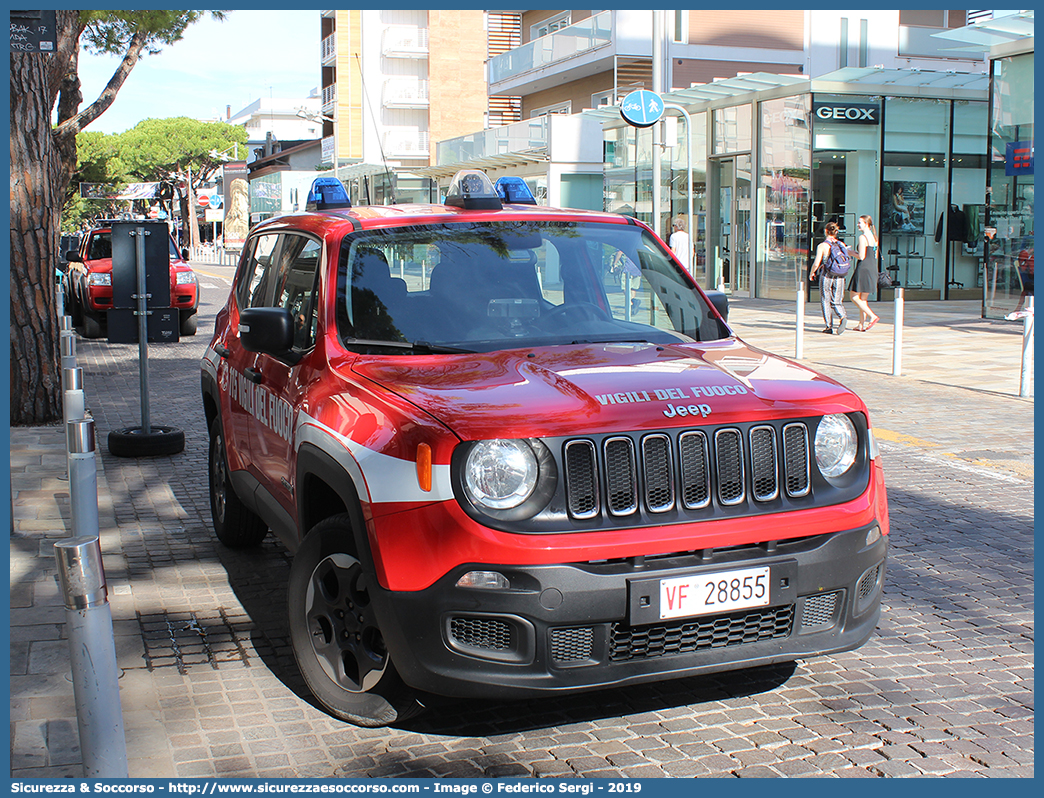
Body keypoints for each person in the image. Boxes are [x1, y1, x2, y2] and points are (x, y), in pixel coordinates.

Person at [809, 222, 849, 335]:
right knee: (837, 299)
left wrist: (812, 273)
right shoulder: (841, 244)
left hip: (827, 274)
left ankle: (828, 326)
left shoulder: (823, 246)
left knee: (825, 299)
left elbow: (817, 263)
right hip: (840, 274)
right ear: (836, 232)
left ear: (826, 231)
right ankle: (842, 316)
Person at [849, 215, 881, 331]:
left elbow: (861, 256)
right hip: (872, 268)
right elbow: (875, 255)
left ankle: (872, 316)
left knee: (854, 296)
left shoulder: (863, 237)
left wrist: (850, 252)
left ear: (866, 224)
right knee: (863, 299)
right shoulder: (874, 237)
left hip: (863, 268)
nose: (858, 225)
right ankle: (861, 324)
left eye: (860, 223)